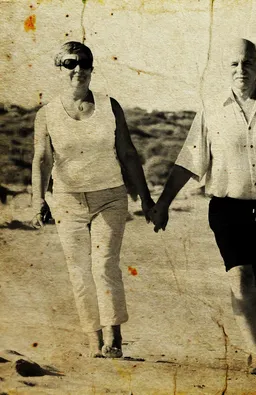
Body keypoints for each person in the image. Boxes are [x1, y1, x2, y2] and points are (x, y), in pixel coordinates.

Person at [150, 38, 256, 375]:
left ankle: (255, 350)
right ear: (227, 67)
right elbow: (189, 161)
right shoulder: (211, 108)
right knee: (240, 276)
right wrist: (163, 203)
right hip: (227, 207)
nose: (242, 69)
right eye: (235, 63)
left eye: (248, 62)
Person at [31, 41, 155, 358]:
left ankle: (113, 339)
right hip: (67, 201)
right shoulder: (46, 115)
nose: (78, 70)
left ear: (92, 68)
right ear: (59, 69)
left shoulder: (109, 106)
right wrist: (38, 200)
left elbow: (128, 154)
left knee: (104, 264)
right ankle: (93, 337)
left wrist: (146, 199)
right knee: (79, 270)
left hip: (110, 198)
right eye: (70, 63)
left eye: (85, 63)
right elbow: (42, 160)